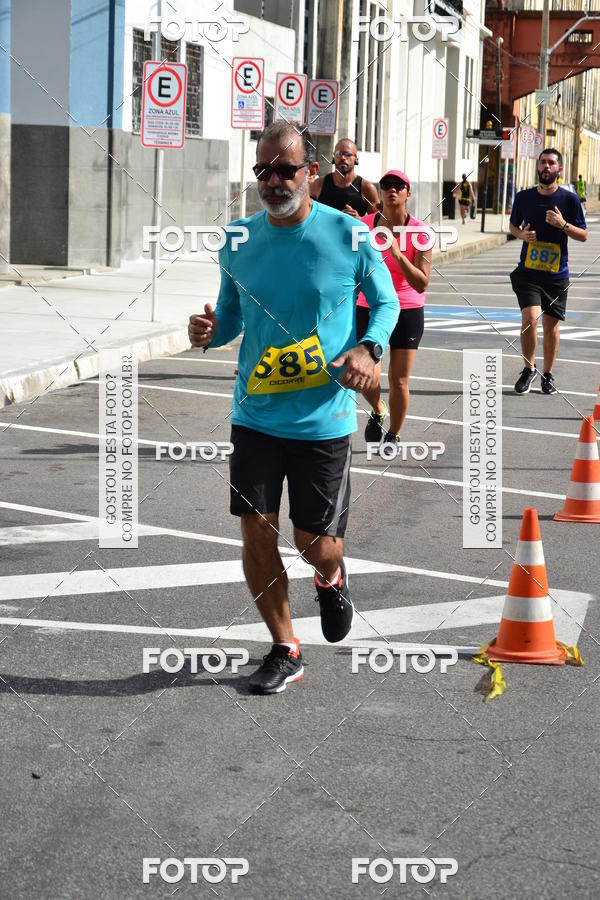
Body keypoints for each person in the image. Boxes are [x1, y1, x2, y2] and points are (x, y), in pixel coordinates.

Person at [188, 121, 398, 695]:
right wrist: (210, 328)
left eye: (286, 169)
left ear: (312, 172)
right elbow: (231, 315)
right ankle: (285, 646)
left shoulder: (350, 233)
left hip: (323, 417)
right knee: (256, 530)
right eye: (264, 171)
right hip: (254, 412)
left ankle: (330, 579)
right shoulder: (237, 238)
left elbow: (385, 304)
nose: (274, 181)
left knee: (315, 543)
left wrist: (369, 347)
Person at [355, 170, 431, 450]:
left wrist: (397, 254)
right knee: (367, 376)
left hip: (407, 308)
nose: (392, 189)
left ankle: (394, 434)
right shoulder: (363, 226)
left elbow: (421, 283)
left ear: (408, 193)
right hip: (369, 306)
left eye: (399, 186)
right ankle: (378, 409)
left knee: (398, 380)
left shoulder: (421, 232)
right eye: (386, 185)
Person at [509, 148, 587, 395]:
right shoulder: (523, 198)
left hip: (556, 274)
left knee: (551, 326)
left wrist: (563, 224)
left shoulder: (569, 200)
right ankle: (528, 368)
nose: (546, 166)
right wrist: (522, 234)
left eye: (551, 163)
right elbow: (513, 226)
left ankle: (548, 374)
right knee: (529, 318)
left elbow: (583, 235)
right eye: (543, 162)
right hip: (529, 272)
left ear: (559, 170)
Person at [310, 138, 379, 218]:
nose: (342, 158)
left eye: (347, 154)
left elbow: (377, 224)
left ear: (355, 158)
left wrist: (360, 220)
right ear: (333, 157)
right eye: (338, 154)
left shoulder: (367, 188)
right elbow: (306, 217)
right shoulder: (318, 185)